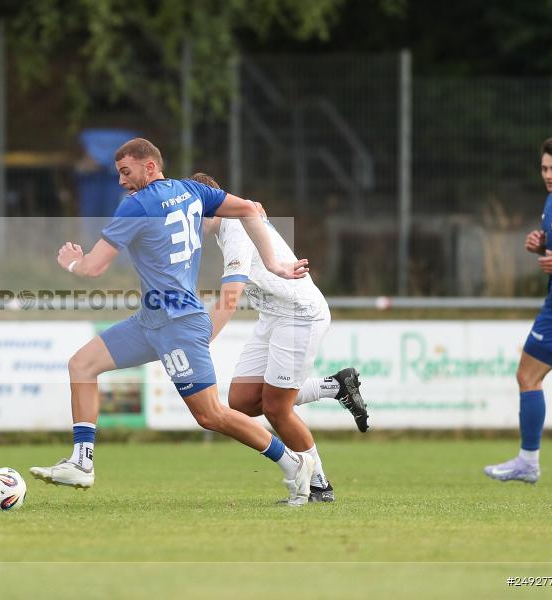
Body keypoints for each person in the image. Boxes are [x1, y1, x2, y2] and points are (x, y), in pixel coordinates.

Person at [31, 138, 318, 506]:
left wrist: (71, 261)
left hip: (178, 325)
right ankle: (81, 462)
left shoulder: (136, 206)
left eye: (125, 171)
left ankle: (295, 463)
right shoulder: (192, 190)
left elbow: (93, 267)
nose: (121, 181)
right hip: (151, 320)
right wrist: (274, 262)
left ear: (149, 167)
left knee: (211, 414)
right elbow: (250, 209)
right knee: (82, 365)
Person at [193, 172, 368, 503]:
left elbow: (230, 297)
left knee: (276, 409)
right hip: (274, 314)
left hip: (299, 314)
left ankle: (318, 486)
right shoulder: (231, 221)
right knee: (242, 401)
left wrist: (200, 343)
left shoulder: (234, 229)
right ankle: (336, 386)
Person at [485, 134, 552, 484]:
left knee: (528, 377)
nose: (548, 175)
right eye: (544, 168)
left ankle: (528, 462)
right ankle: (527, 462)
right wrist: (542, 247)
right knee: (529, 377)